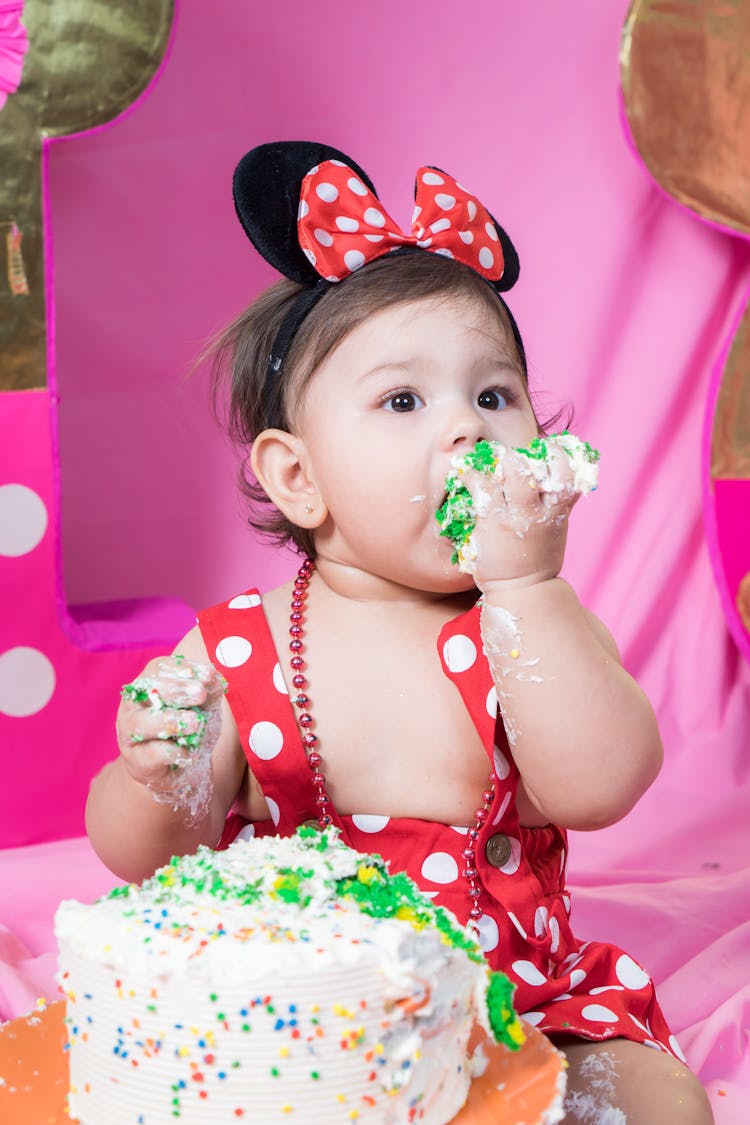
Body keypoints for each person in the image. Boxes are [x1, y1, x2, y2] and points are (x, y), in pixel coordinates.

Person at [86, 142, 713, 1123]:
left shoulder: (530, 625)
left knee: (655, 1100)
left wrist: (527, 585)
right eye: (405, 400)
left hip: (517, 1005)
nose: (467, 431)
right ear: (298, 477)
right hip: (299, 1029)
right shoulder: (238, 652)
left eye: (495, 396)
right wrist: (160, 777)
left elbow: (602, 787)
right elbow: (143, 860)